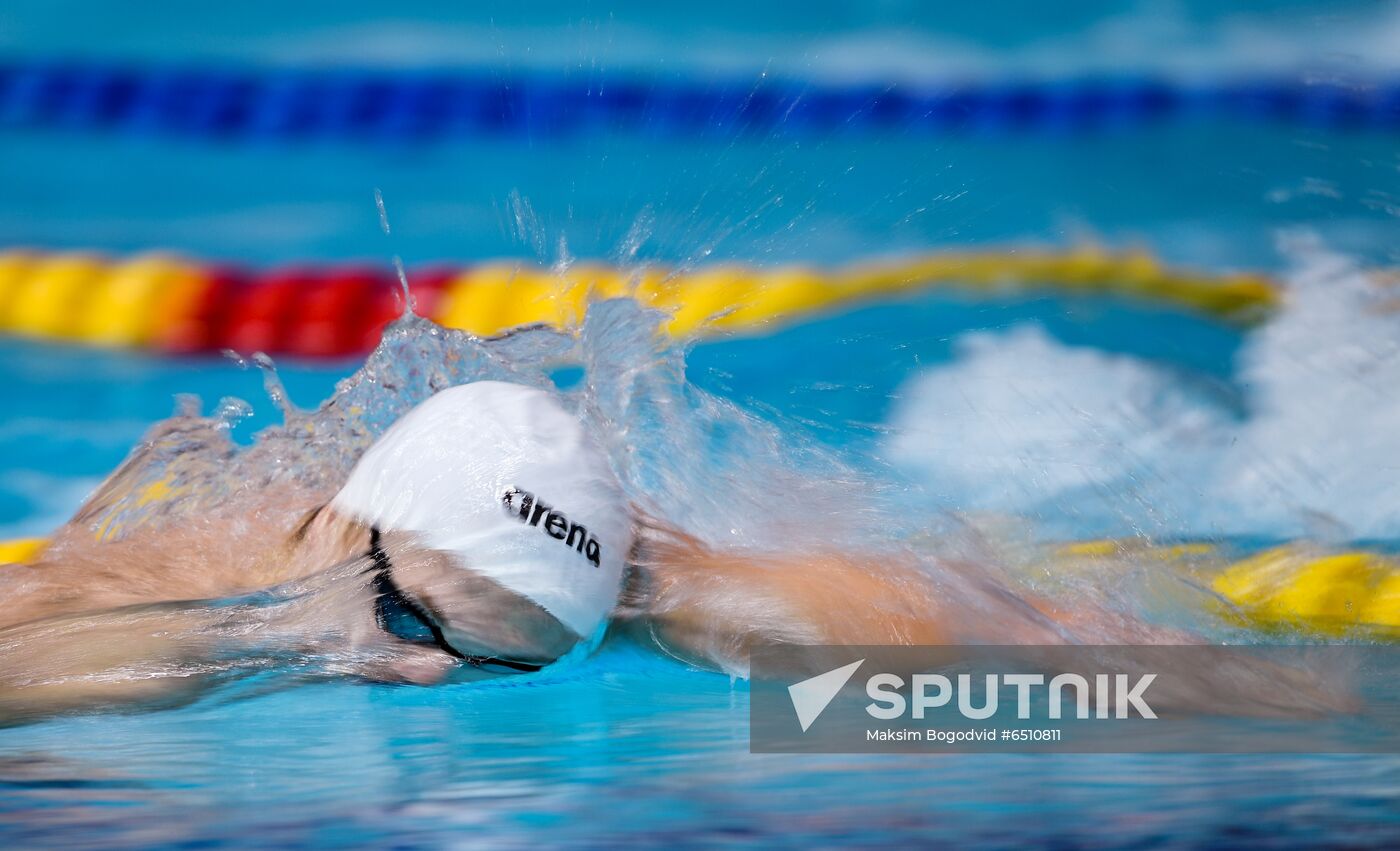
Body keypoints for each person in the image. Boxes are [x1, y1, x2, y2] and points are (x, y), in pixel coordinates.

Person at [0, 381, 1345, 724]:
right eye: (411, 629)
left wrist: (1312, 702)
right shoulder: (168, 576)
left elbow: (1085, 686)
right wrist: (270, 639)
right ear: (350, 527)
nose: (428, 680)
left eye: (508, 667)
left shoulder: (688, 606)